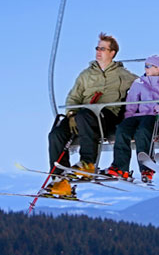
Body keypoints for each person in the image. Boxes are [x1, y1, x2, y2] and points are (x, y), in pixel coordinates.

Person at [46, 32, 137, 195]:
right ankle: (60, 180)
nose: (98, 51)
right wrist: (71, 113)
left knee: (85, 115)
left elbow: (145, 85)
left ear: (112, 53)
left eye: (103, 48)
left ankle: (88, 162)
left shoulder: (122, 75)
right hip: (81, 116)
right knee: (56, 134)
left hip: (106, 114)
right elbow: (73, 96)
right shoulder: (86, 75)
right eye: (97, 48)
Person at [105, 55, 159, 182]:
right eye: (145, 65)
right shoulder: (139, 83)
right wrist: (128, 119)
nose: (145, 68)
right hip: (137, 116)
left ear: (158, 69)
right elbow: (131, 103)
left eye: (148, 66)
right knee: (122, 130)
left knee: (143, 131)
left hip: (153, 116)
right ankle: (120, 166)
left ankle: (146, 167)